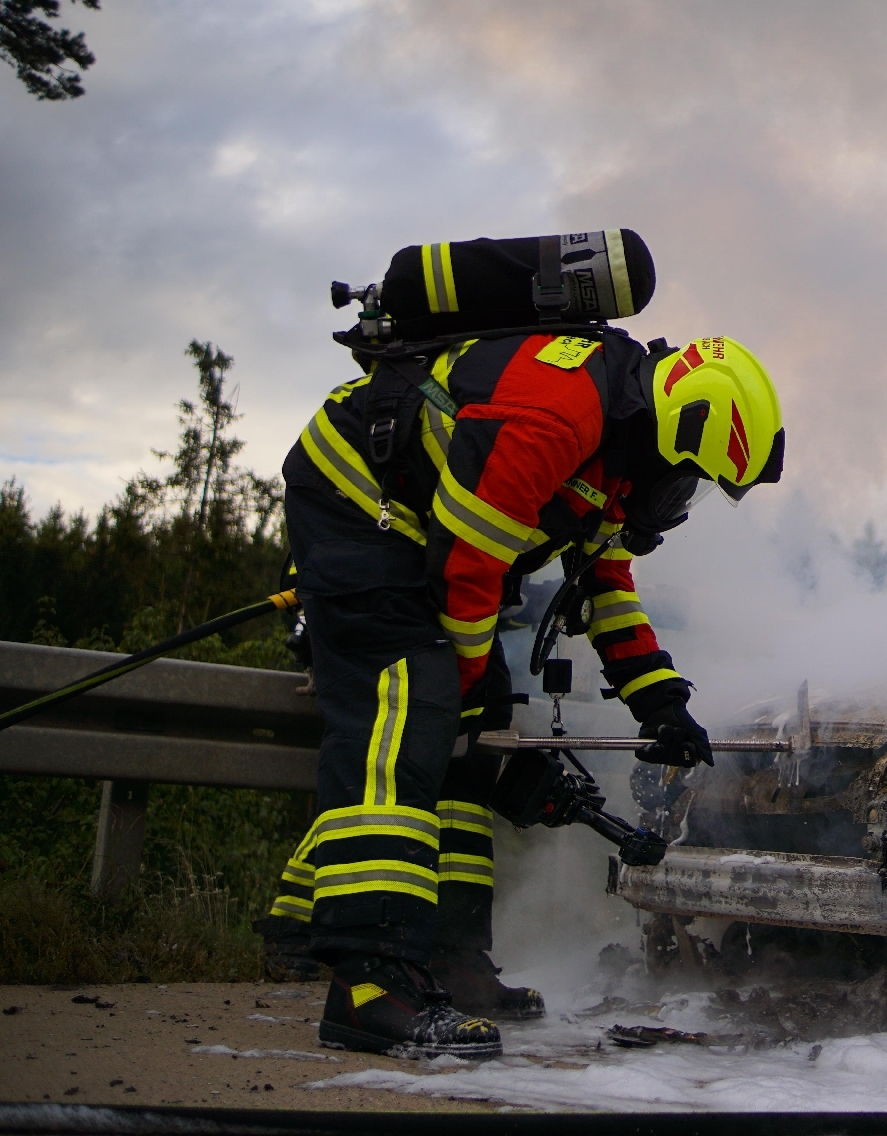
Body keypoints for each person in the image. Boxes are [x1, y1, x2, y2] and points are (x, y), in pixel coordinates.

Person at [263, 330, 783, 1059]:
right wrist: (464, 699)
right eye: (687, 481)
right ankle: (370, 983)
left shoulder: (618, 454)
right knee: (411, 701)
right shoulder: (557, 418)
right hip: (357, 499)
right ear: (674, 431)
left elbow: (603, 583)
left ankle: (449, 957)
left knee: (477, 732)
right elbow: (466, 564)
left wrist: (660, 700)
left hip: (426, 532)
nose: (680, 501)